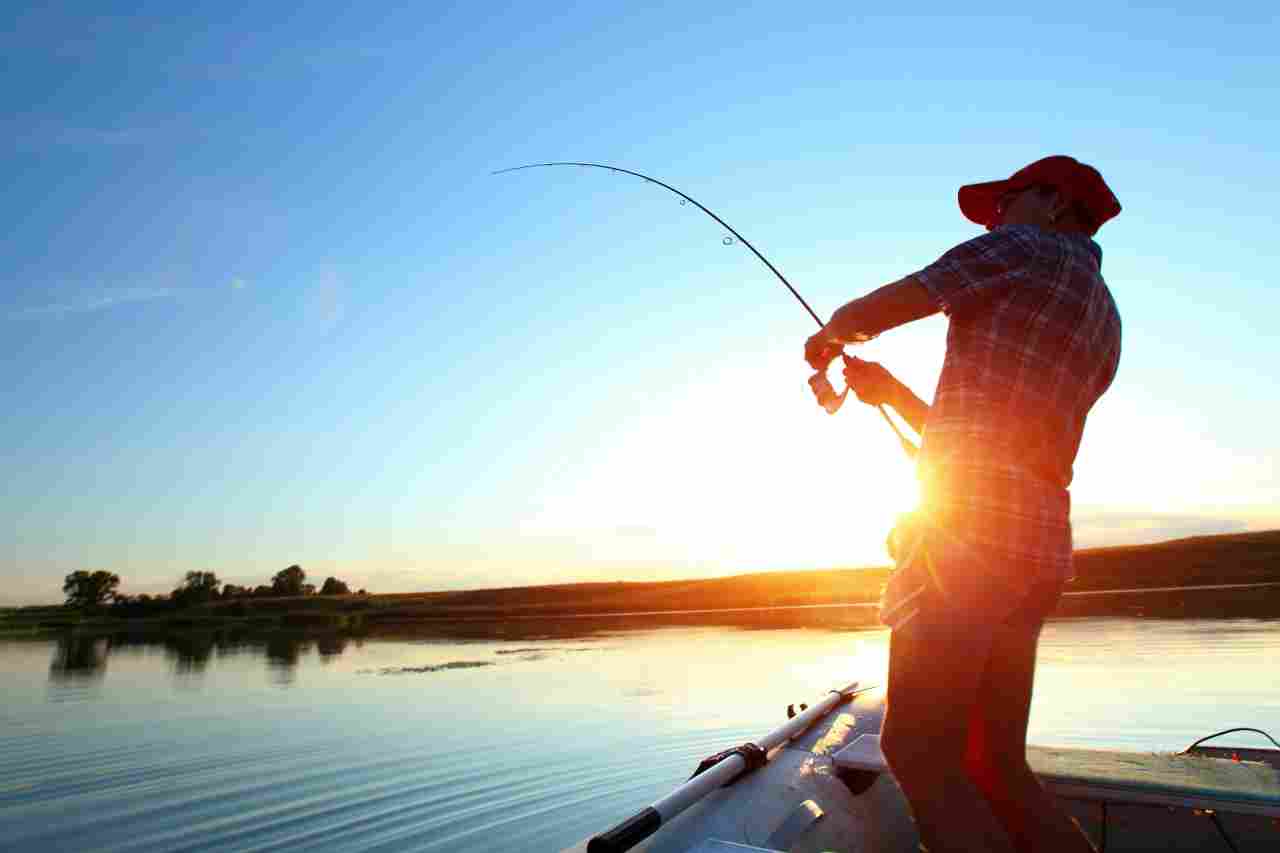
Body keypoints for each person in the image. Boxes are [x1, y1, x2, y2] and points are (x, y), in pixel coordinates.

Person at [804, 155, 1122, 853]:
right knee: (996, 763)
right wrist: (891, 395)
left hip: (965, 545)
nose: (994, 220)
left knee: (919, 753)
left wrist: (833, 332)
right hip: (1036, 551)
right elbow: (999, 442)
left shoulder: (1022, 247)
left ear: (1052, 201)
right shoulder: (1106, 315)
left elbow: (892, 304)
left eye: (1003, 204)